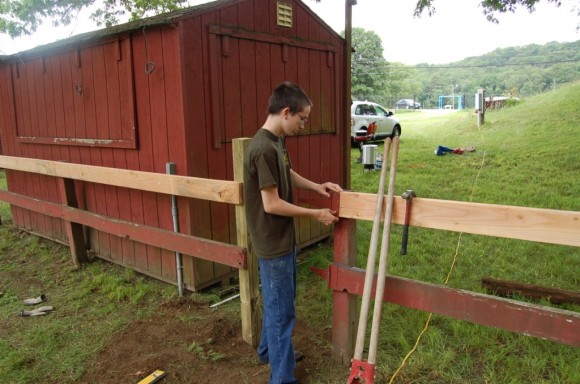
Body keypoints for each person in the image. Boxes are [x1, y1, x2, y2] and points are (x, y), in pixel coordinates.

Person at [243, 82, 343, 384]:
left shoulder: (276, 141)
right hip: (273, 242)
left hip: (282, 239)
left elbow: (285, 173)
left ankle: (268, 351)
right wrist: (315, 214)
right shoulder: (262, 148)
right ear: (286, 112)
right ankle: (282, 377)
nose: (303, 125)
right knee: (282, 311)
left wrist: (316, 186)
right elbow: (271, 204)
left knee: (279, 304)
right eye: (302, 118)